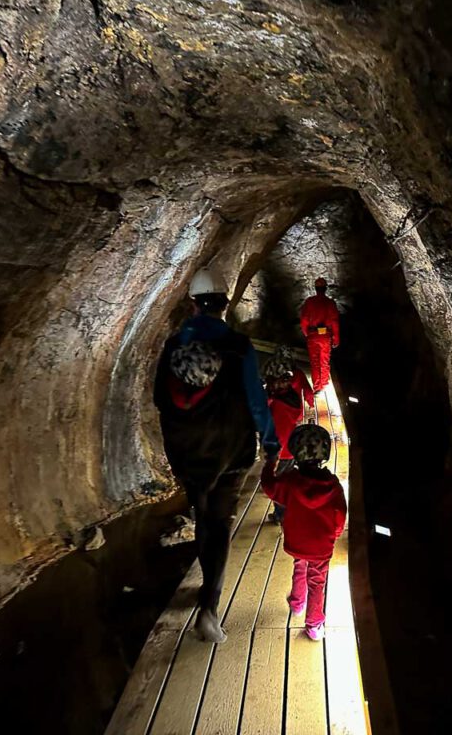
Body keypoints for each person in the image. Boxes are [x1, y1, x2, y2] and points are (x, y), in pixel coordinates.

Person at [153, 267, 281, 643]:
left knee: (202, 514)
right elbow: (257, 403)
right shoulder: (240, 346)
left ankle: (205, 584)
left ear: (193, 304)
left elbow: (161, 399)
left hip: (188, 452)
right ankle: (209, 605)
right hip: (232, 450)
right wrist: (271, 444)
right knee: (220, 521)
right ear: (224, 305)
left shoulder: (174, 345)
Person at [260, 424, 346, 641]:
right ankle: (314, 625)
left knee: (300, 564)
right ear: (324, 452)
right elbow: (340, 515)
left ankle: (298, 603)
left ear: (295, 452)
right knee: (317, 581)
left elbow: (269, 486)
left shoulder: (290, 481)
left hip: (297, 540)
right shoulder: (333, 486)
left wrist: (270, 463)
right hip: (321, 545)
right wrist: (333, 535)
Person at [264, 345, 315, 524]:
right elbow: (306, 391)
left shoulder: (275, 403)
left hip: (281, 451)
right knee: (287, 481)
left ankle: (281, 514)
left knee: (278, 486)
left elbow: (265, 416)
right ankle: (287, 510)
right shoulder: (290, 395)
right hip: (292, 447)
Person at [299, 277, 340, 393]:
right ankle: (324, 384)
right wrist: (336, 338)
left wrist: (307, 334)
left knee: (315, 362)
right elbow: (334, 321)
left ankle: (317, 387)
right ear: (325, 289)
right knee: (324, 361)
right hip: (325, 336)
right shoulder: (330, 303)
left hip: (313, 335)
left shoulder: (309, 302)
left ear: (316, 289)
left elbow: (303, 320)